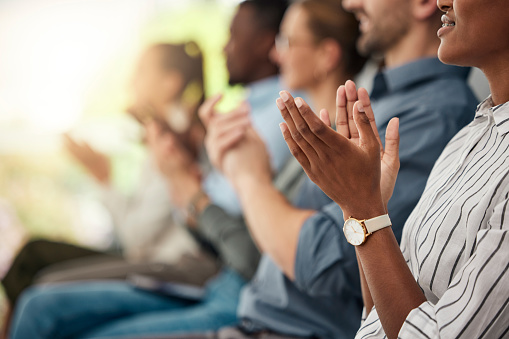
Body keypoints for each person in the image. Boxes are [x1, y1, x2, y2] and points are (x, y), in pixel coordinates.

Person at [177, 0, 478, 337]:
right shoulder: (380, 101)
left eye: (288, 42)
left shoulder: (432, 115)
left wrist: (247, 177)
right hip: (256, 314)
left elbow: (320, 259)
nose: (351, 3)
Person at [7, 1, 293, 338]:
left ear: (171, 82)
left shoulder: (198, 135)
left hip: (188, 268)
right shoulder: (189, 131)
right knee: (37, 279)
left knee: (38, 284)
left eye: (141, 71)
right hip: (198, 263)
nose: (131, 80)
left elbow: (142, 238)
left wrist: (105, 178)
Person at [276, 0, 509, 336]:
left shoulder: (442, 115)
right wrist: (365, 207)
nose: (444, 0)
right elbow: (377, 319)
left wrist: (364, 208)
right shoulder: (468, 139)